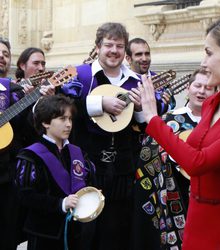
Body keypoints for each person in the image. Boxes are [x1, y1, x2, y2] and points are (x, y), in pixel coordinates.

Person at [139, 12, 220, 250]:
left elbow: (197, 162)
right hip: (194, 221)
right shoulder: (213, 102)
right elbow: (189, 152)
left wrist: (153, 119)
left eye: (209, 53)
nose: (203, 62)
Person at [61, 22, 143, 250]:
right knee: (84, 230)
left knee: (117, 229)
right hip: (86, 164)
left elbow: (145, 124)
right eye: (108, 45)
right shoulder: (80, 75)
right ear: (98, 47)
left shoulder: (136, 81)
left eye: (119, 45)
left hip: (122, 168)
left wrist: (140, 108)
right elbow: (65, 107)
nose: (114, 50)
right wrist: (100, 103)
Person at [132, 68, 216, 250]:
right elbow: (149, 158)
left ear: (216, 92)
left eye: (208, 87)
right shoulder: (167, 120)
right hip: (174, 194)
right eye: (197, 85)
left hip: (210, 196)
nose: (202, 91)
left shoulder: (219, 122)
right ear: (188, 88)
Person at [15, 94, 95, 250]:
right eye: (62, 119)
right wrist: (60, 203)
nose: (68, 124)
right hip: (44, 234)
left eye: (70, 119)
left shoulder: (77, 152)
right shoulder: (30, 155)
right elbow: (25, 196)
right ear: (45, 122)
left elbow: (89, 182)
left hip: (76, 232)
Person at [0, 38, 54, 250]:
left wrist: (36, 101)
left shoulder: (14, 90)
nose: (1, 57)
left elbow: (25, 129)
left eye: (5, 53)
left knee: (6, 233)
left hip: (6, 173)